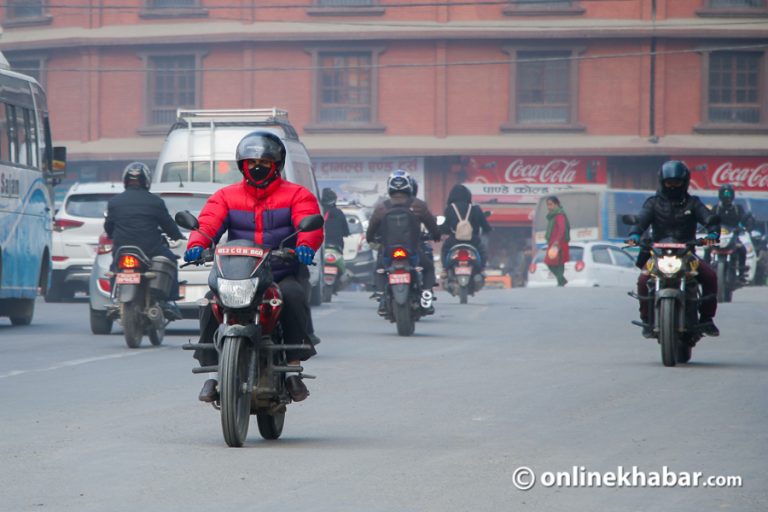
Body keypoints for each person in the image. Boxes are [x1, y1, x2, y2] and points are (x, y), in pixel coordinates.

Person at [184, 131, 323, 403]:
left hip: (280, 271)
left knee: (293, 296)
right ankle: (212, 373)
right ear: (242, 166)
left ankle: (293, 368)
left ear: (277, 165)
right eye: (250, 163)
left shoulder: (297, 195)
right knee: (211, 302)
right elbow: (208, 224)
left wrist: (305, 246)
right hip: (238, 272)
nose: (256, 167)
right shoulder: (225, 196)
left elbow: (309, 223)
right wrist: (197, 244)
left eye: (264, 163)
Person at [627, 160, 721, 338]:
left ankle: (707, 318)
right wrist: (634, 234)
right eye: (669, 182)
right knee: (642, 280)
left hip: (687, 253)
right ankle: (647, 319)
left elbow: (708, 218)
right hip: (658, 254)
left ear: (684, 182)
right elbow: (641, 220)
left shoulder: (693, 203)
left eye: (676, 182)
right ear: (662, 182)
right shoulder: (653, 203)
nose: (672, 186)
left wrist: (713, 233)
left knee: (710, 276)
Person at [104, 161, 183, 318]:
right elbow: (168, 225)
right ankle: (169, 301)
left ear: (125, 180)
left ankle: (114, 299)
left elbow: (108, 228)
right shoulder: (155, 202)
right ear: (146, 180)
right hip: (150, 248)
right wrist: (177, 236)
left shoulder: (114, 202)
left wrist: (113, 236)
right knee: (171, 261)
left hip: (122, 248)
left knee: (115, 268)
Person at [366, 169, 440, 315]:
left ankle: (381, 298)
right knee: (428, 268)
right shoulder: (418, 205)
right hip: (412, 249)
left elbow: (371, 229)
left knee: (380, 270)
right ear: (409, 186)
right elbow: (432, 224)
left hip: (388, 251)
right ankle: (426, 296)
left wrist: (371, 239)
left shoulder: (382, 207)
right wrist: (436, 235)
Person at [440, 184, 492, 270]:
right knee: (482, 252)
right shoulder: (476, 209)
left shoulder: (449, 209)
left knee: (445, 250)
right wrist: (488, 229)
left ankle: (445, 270)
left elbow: (445, 227)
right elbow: (485, 226)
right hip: (473, 242)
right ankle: (481, 271)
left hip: (454, 241)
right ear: (468, 196)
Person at [712, 184, 755, 282]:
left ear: (733, 195)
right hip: (718, 236)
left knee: (742, 249)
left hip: (733, 235)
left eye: (728, 193)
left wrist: (747, 226)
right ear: (720, 195)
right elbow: (708, 219)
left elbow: (745, 220)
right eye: (724, 193)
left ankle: (741, 273)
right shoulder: (716, 208)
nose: (726, 196)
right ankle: (705, 272)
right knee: (706, 248)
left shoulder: (738, 208)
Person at [543, 195, 570, 287]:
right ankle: (561, 280)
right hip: (554, 242)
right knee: (551, 263)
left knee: (558, 262)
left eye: (550, 204)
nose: (549, 207)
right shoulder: (553, 215)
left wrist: (557, 241)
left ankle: (560, 281)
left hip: (558, 243)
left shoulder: (559, 215)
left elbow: (562, 229)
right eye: (548, 205)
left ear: (556, 204)